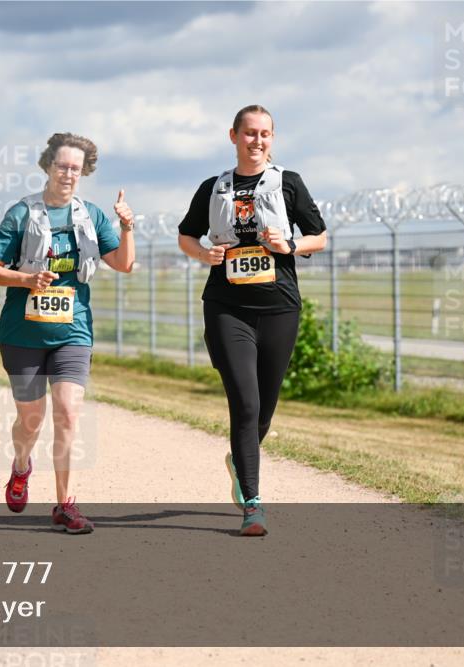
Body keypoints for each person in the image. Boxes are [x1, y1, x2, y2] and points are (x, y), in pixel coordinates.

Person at [177, 104, 327, 536]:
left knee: (265, 406)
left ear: (272, 139)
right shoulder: (213, 187)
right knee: (245, 403)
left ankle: (239, 460)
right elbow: (186, 234)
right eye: (249, 134)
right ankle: (254, 505)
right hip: (227, 308)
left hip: (279, 306)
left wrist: (291, 245)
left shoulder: (288, 184)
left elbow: (320, 236)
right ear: (233, 136)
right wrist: (203, 253)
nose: (257, 141)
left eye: (265, 134)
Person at [0, 132, 135, 534]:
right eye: (62, 165)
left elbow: (122, 263)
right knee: (31, 421)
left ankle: (66, 504)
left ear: (85, 172)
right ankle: (20, 467)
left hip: (73, 331)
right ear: (48, 166)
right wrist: (27, 278)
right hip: (22, 332)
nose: (69, 173)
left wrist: (127, 226)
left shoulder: (92, 215)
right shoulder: (21, 213)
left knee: (68, 414)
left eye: (76, 168)